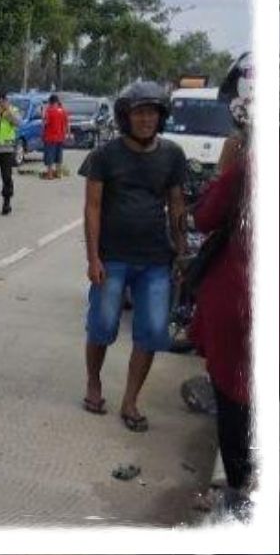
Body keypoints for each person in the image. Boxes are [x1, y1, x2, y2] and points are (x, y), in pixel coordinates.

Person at [80, 81, 187, 433]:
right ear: (126, 117)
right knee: (103, 326)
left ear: (161, 117)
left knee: (153, 331)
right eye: (139, 112)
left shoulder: (172, 155)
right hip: (112, 259)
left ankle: (130, 400)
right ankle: (93, 383)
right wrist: (93, 258)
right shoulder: (105, 156)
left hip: (156, 259)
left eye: (153, 112)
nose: (146, 119)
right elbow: (92, 208)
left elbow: (176, 206)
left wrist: (182, 254)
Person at [190, 53, 254, 511]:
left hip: (242, 291)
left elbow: (207, 215)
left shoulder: (250, 164)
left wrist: (226, 167)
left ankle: (240, 489)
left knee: (234, 390)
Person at [41, 94, 69, 180]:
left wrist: (43, 113)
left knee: (50, 156)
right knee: (59, 155)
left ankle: (50, 175)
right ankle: (58, 173)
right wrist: (67, 133)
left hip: (50, 137)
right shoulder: (63, 111)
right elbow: (67, 124)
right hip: (60, 137)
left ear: (50, 102)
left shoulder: (49, 111)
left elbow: (44, 123)